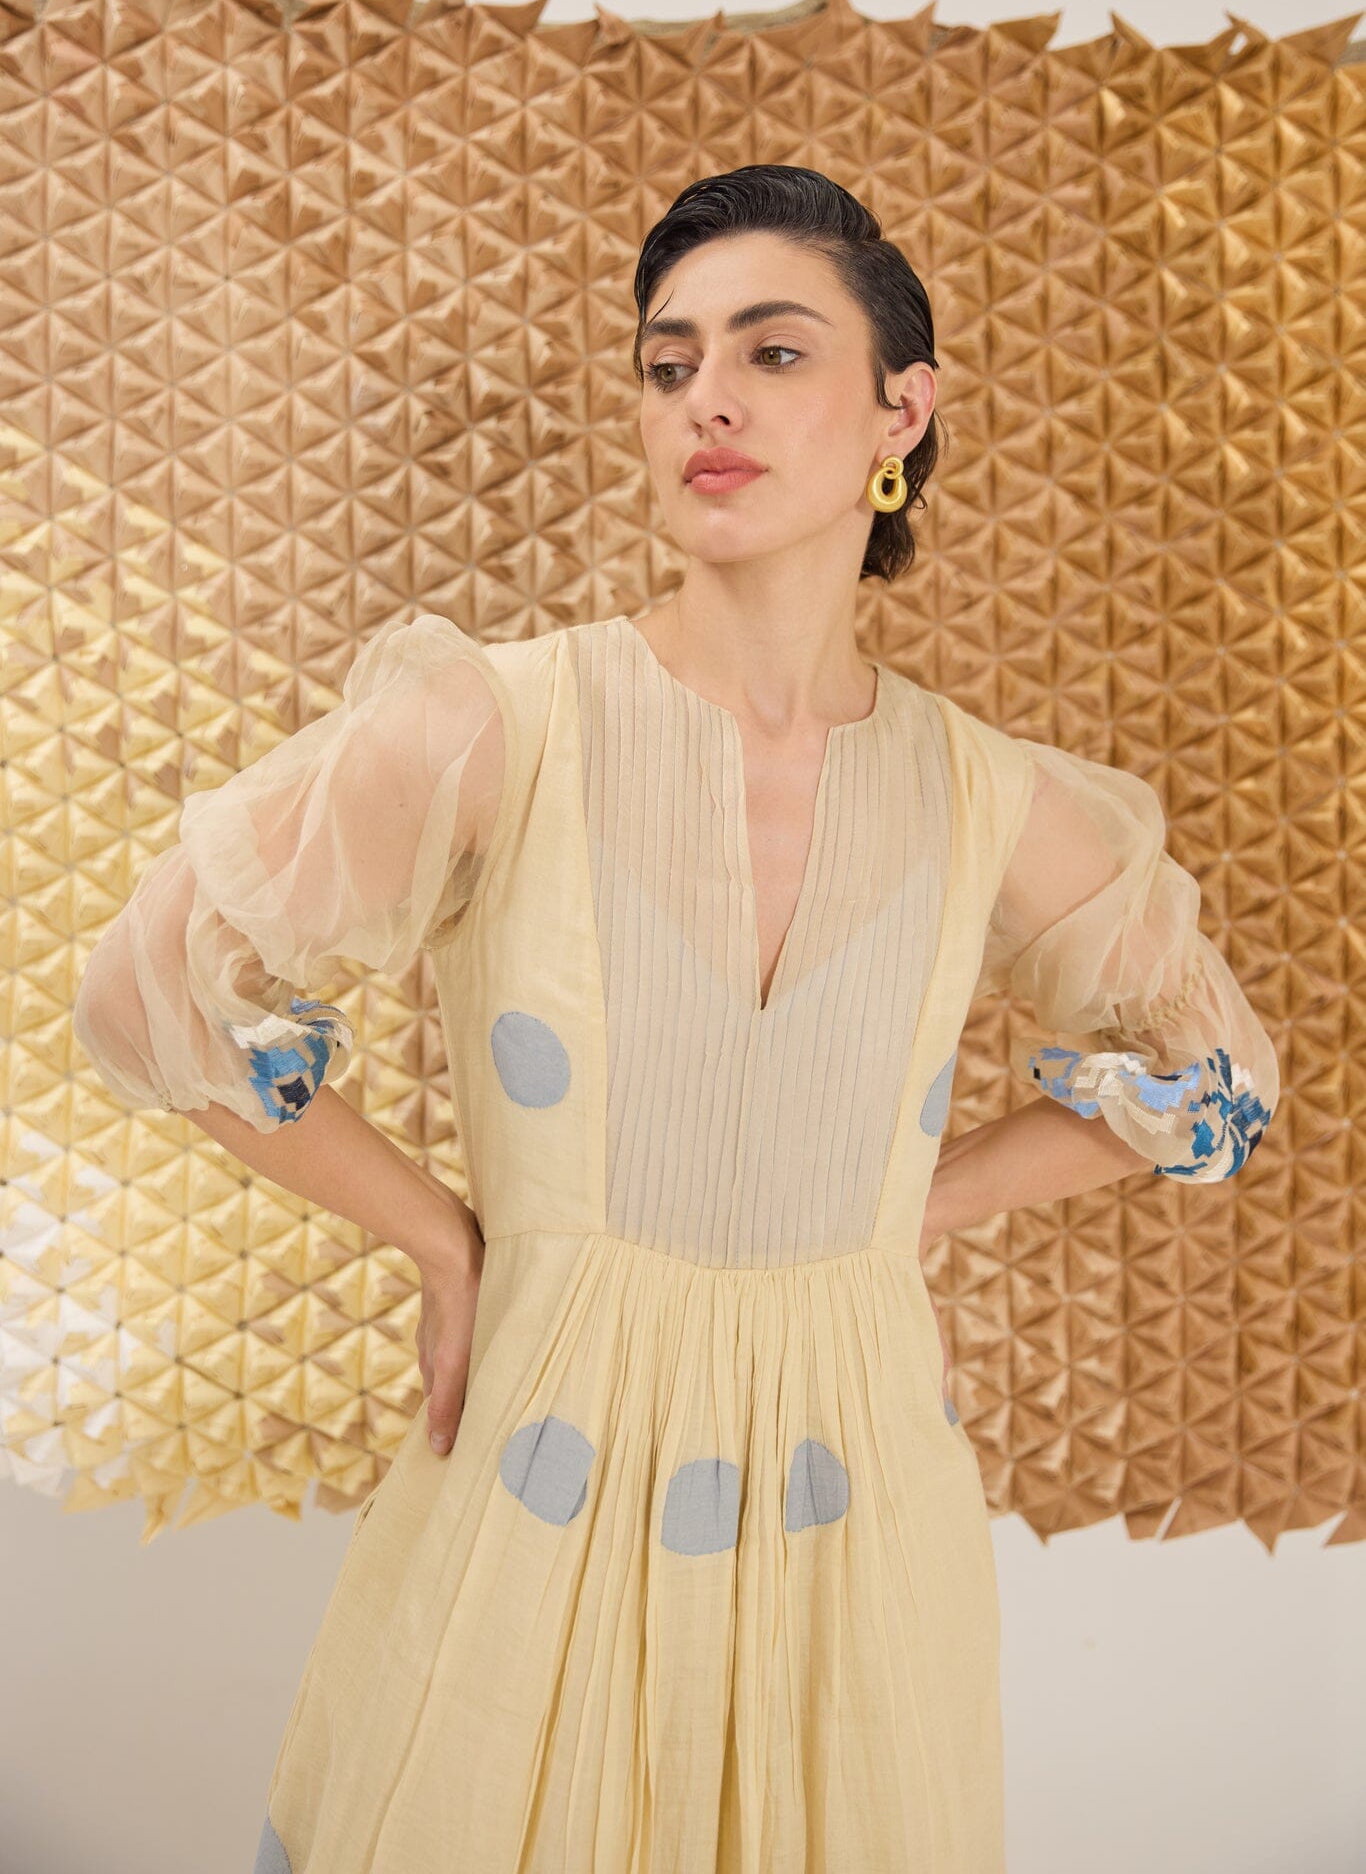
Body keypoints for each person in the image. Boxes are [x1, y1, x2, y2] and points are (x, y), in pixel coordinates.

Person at [72, 163, 1280, 1872]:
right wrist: (444, 1243)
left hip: (853, 1503)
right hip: (540, 1469)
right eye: (667, 362)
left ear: (901, 411)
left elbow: (1211, 1078)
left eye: (771, 352)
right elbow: (147, 990)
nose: (704, 396)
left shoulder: (985, 797)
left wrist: (893, 1213)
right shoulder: (502, 726)